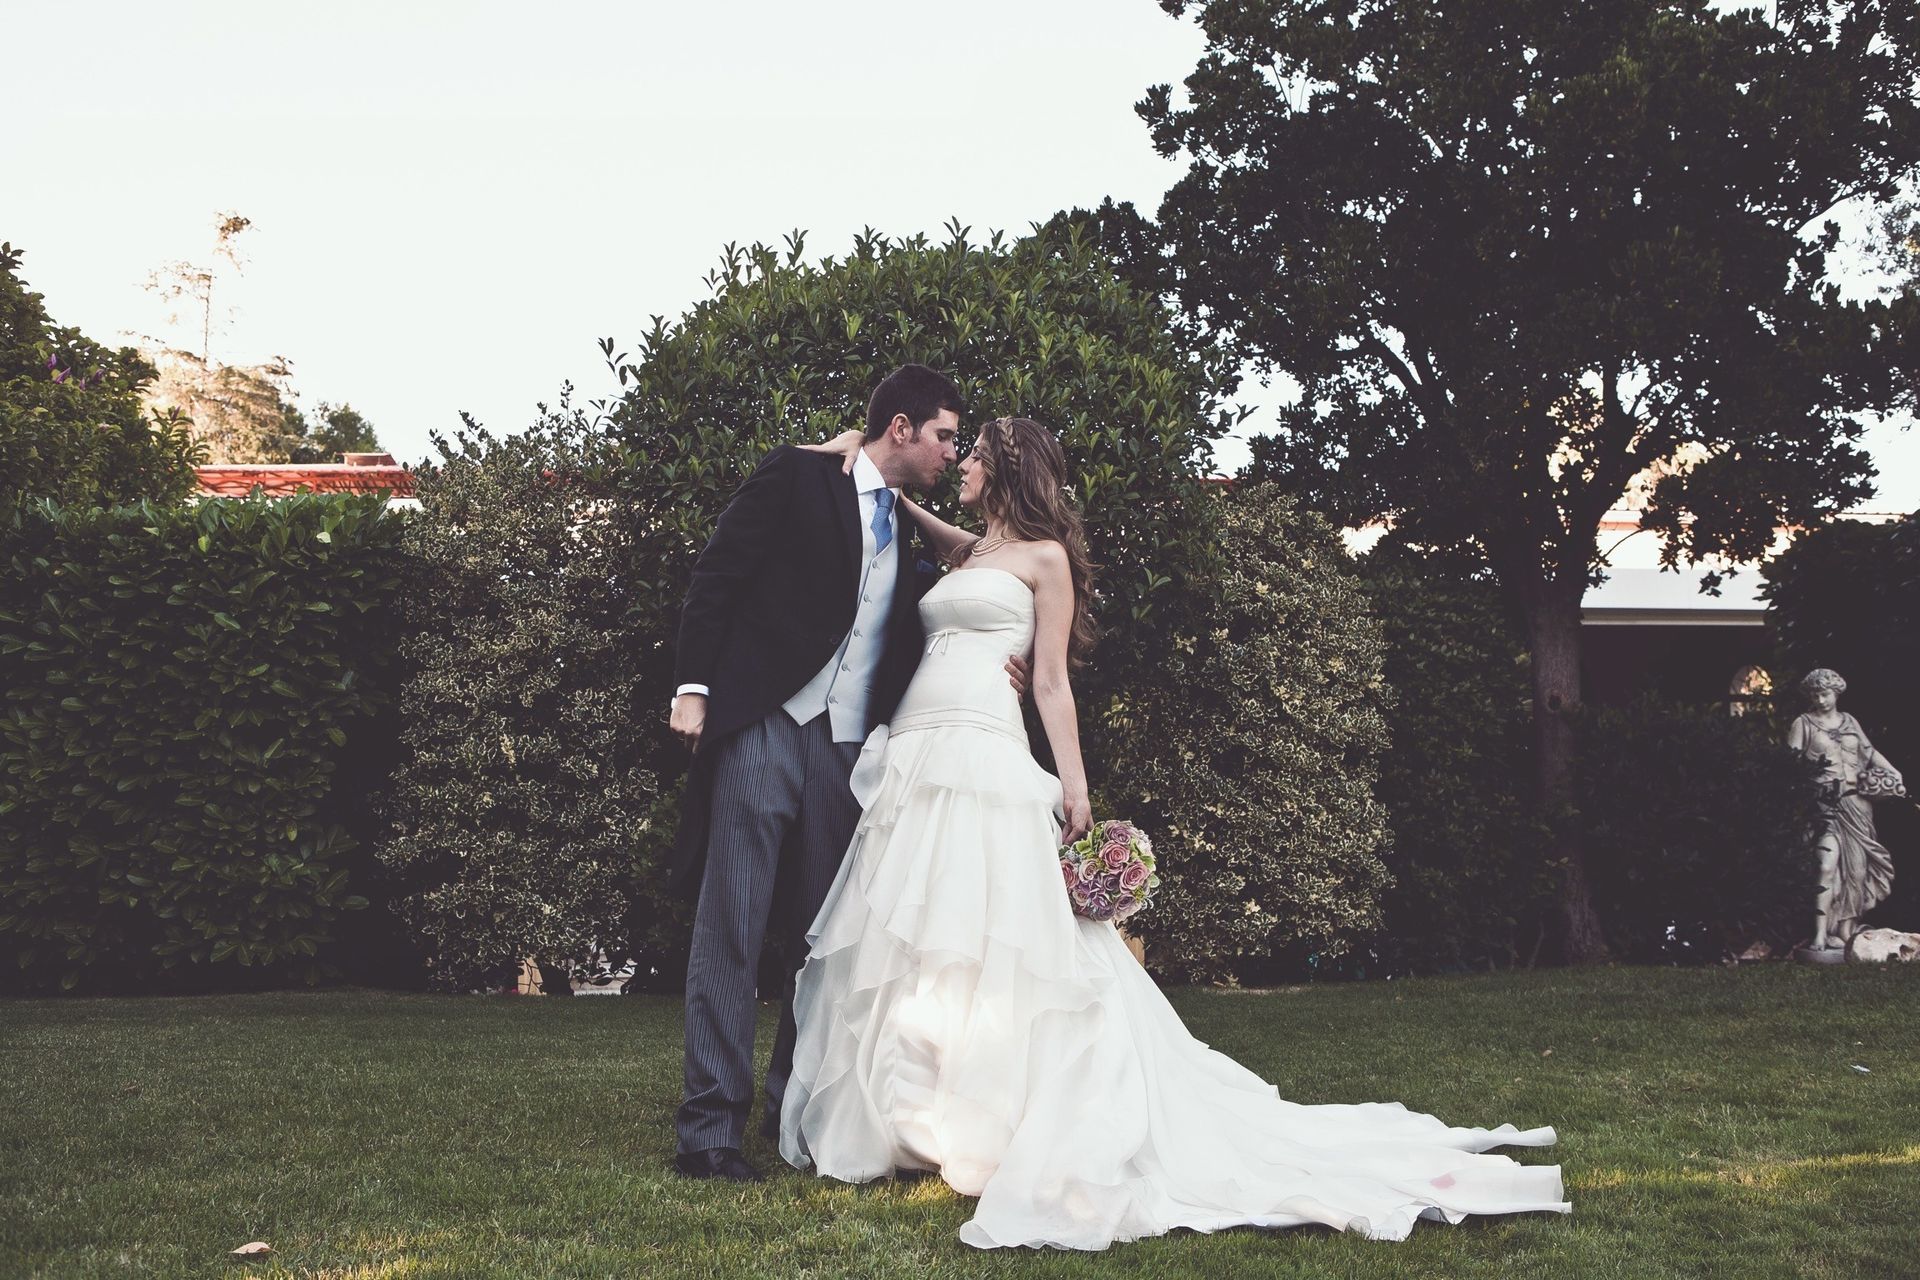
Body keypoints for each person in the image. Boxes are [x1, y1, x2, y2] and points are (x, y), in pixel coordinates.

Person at [779, 417, 1569, 1250]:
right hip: (916, 751)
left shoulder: (1043, 560)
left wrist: (1075, 787)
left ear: (1009, 469)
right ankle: (913, 1113)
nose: (961, 466)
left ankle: (990, 1113)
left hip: (984, 752)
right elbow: (899, 500)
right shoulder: (970, 551)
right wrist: (851, 450)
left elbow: (1050, 680)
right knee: (913, 932)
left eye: (973, 456)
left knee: (995, 936)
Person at [667, 365, 1027, 1183]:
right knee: (731, 928)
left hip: (849, 754)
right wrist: (694, 689)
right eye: (942, 435)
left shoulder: (911, 530)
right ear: (899, 428)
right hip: (764, 729)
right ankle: (709, 1133)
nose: (950, 451)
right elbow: (717, 578)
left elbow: (1020, 571)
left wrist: (1011, 659)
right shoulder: (796, 475)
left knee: (825, 945)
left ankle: (794, 1107)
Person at [1786, 668, 1903, 952]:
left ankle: (1846, 930)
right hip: (1825, 806)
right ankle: (1819, 935)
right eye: (1815, 694)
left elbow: (1870, 752)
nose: (1820, 700)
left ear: (1836, 693)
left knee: (1857, 873)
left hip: (1858, 805)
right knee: (1826, 868)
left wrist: (1893, 772)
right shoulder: (1803, 724)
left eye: (1825, 693)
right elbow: (1788, 767)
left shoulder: (1850, 722)